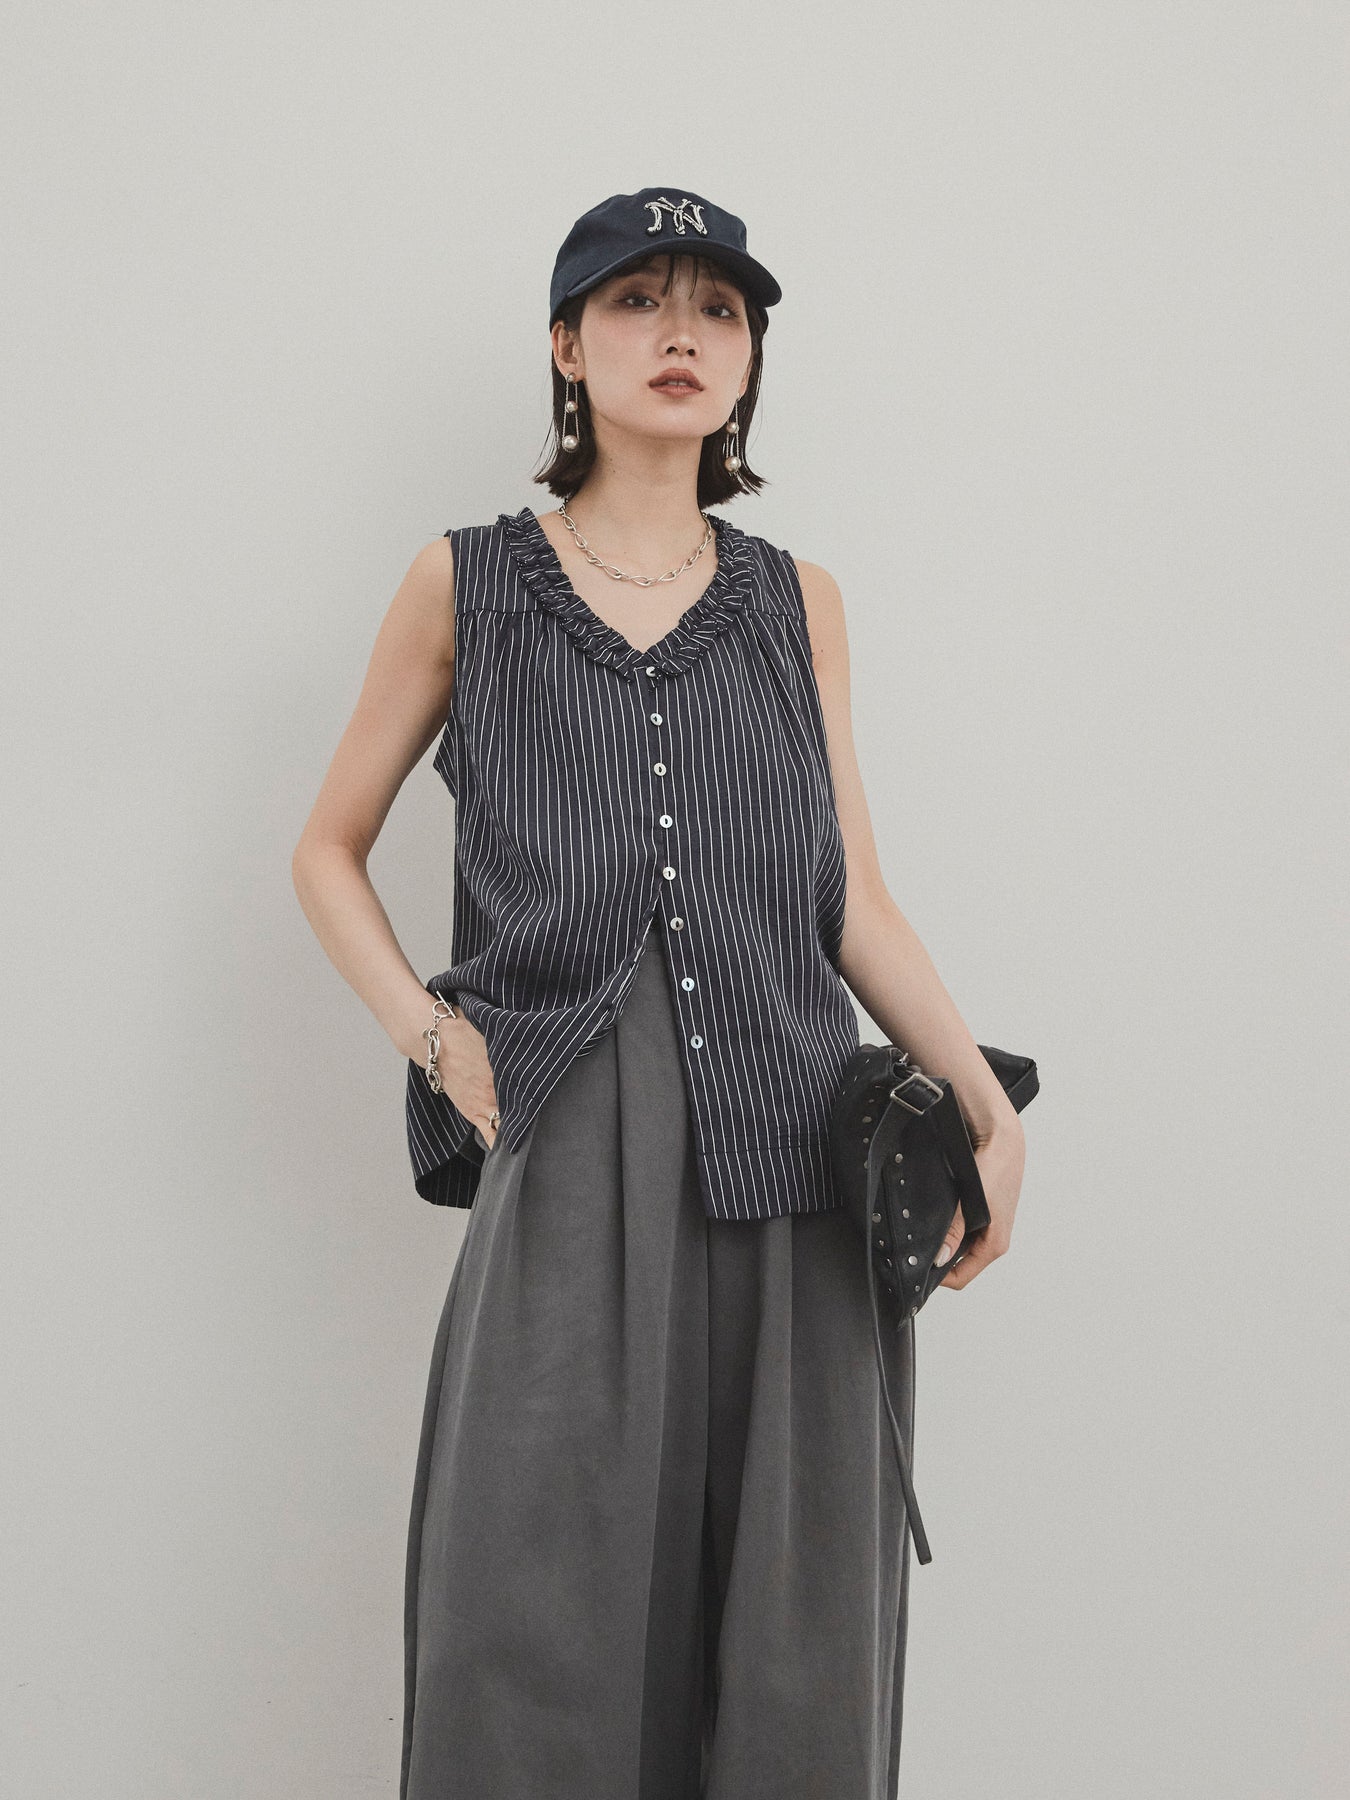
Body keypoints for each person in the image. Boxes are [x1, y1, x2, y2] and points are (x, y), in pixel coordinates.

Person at [291, 185, 1027, 1800]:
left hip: (795, 1150)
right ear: (566, 346)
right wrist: (430, 1034)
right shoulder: (465, 582)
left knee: (791, 1618)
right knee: (532, 1591)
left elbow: (850, 897)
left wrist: (982, 1100)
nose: (680, 332)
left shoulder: (797, 600)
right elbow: (326, 849)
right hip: (567, 1131)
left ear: (750, 359)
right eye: (635, 300)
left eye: (718, 308)